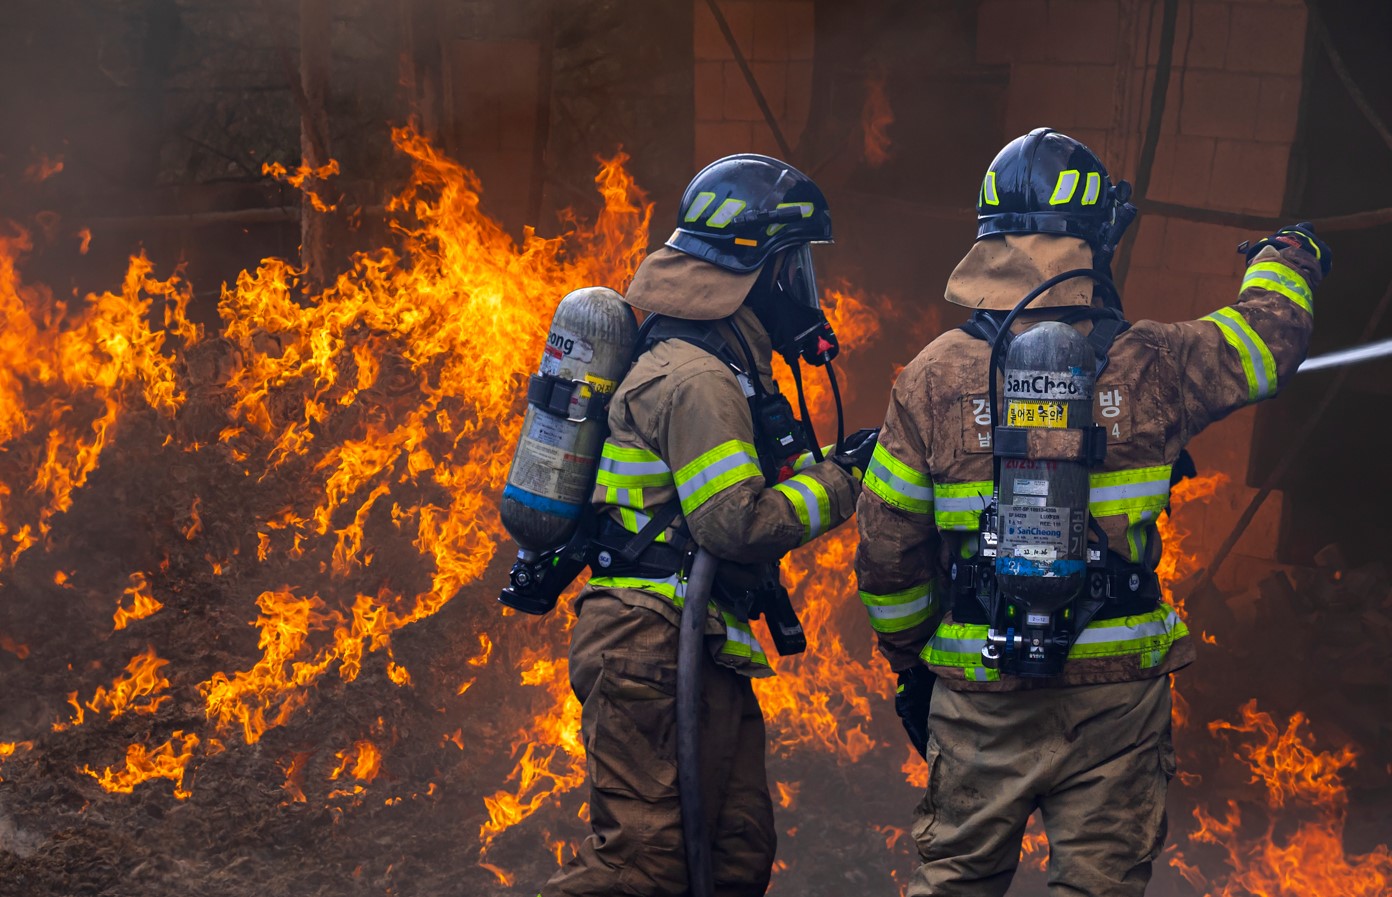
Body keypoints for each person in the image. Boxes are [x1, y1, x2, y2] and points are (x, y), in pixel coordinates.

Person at [854, 127, 1328, 896]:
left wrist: (913, 663)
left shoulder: (933, 377)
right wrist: (1287, 256)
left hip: (980, 688)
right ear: (1095, 240)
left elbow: (885, 553)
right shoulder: (1156, 363)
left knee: (955, 883)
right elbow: (1268, 340)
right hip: (1116, 696)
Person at [540, 154, 876, 897]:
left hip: (691, 644)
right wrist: (845, 481)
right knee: (642, 867)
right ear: (759, 270)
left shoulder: (722, 369)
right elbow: (734, 524)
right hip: (649, 643)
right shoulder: (697, 379)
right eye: (795, 267)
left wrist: (835, 466)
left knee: (732, 856)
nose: (803, 290)